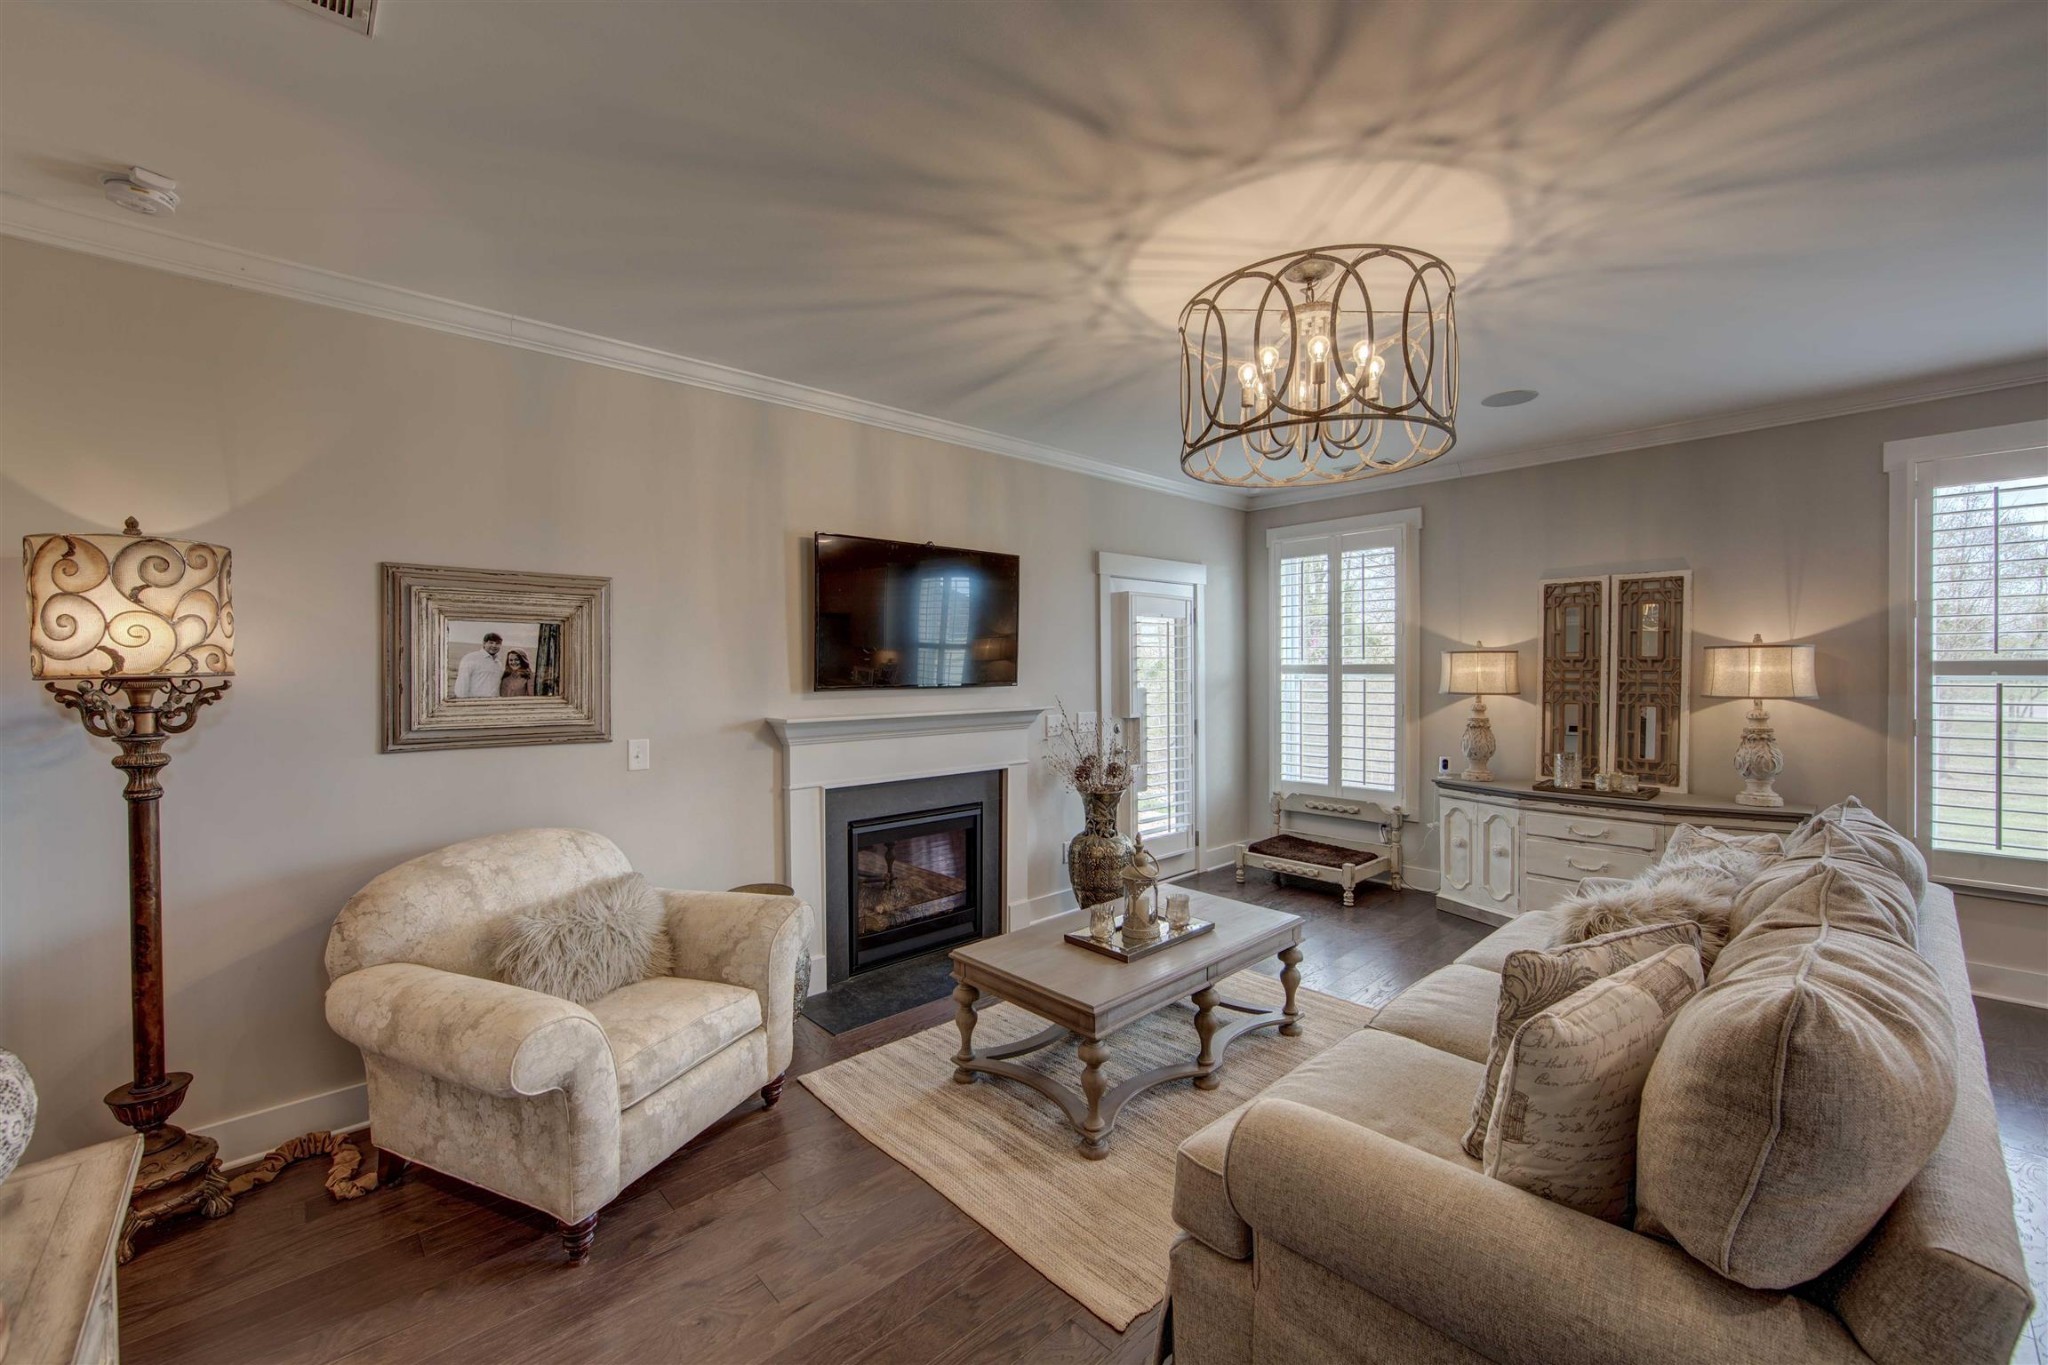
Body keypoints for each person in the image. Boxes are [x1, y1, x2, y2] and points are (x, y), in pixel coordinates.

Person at [453, 632, 504, 698]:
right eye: (491, 642)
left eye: (497, 643)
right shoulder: (471, 658)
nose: (494, 646)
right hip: (474, 703)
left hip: (492, 704)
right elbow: (462, 684)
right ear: (484, 643)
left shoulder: (498, 663)